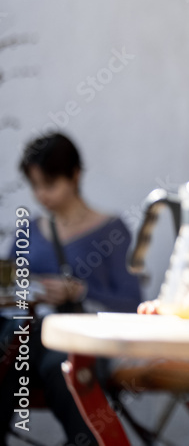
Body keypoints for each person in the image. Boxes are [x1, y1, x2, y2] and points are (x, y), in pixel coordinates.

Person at [1, 133, 142, 445]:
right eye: (34, 186)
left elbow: (132, 303)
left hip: (79, 344)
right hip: (22, 342)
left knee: (60, 362)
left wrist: (79, 292)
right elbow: (7, 292)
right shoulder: (28, 231)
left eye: (49, 184)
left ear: (74, 175)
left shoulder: (111, 230)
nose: (41, 195)